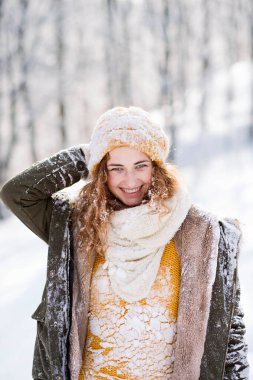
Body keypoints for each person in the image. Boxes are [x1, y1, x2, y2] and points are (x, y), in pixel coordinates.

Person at [0, 106, 249, 380]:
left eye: (140, 165)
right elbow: (18, 193)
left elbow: (230, 337)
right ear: (101, 172)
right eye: (116, 168)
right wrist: (85, 156)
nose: (130, 180)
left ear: (157, 167)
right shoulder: (77, 226)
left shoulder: (202, 232)